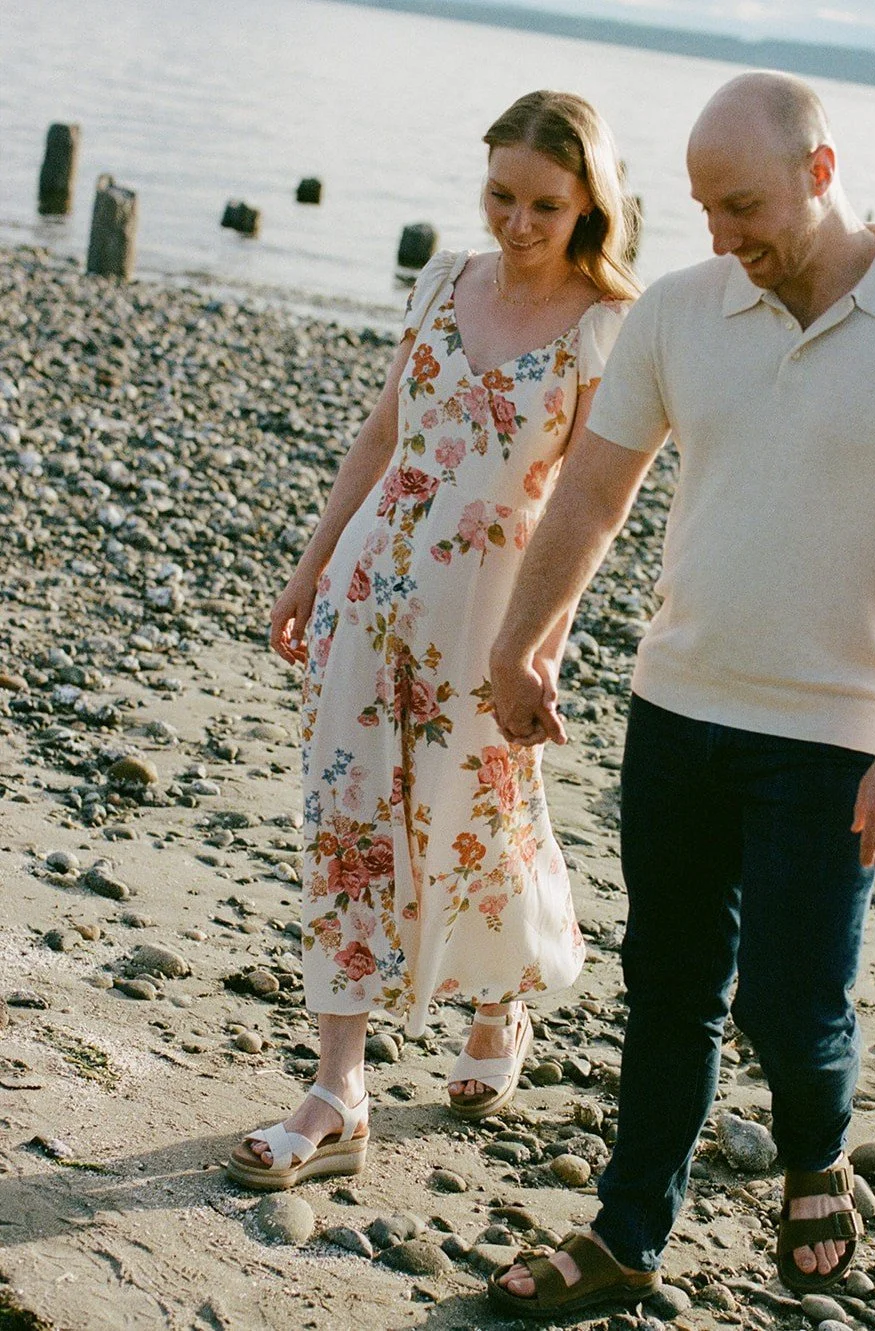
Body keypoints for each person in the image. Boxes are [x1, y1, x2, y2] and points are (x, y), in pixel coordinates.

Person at [486, 70, 875, 1316]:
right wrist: (526, 640)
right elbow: (591, 494)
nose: (721, 237)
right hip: (677, 709)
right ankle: (628, 1231)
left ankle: (816, 1156)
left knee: (793, 1000)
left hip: (834, 737)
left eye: (742, 206)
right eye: (702, 210)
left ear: (821, 173)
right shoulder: (680, 310)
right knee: (668, 984)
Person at [225, 90, 640, 1190]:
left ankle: (501, 1004)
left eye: (544, 205)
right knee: (347, 818)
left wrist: (539, 639)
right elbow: (384, 427)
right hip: (374, 584)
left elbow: (594, 502)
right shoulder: (444, 278)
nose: (515, 221)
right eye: (500, 194)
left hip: (491, 615)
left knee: (484, 815)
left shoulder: (606, 322)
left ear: (590, 201)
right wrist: (311, 568)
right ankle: (338, 1086)